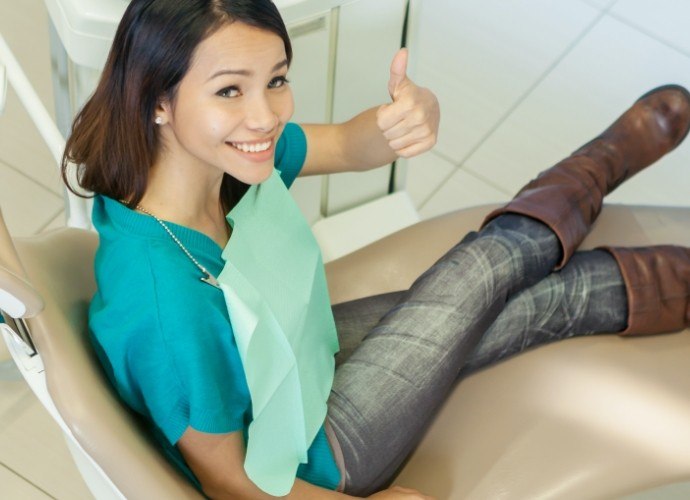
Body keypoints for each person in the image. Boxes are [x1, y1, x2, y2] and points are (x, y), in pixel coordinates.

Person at [61, 0, 690, 498]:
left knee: (518, 307)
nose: (265, 116)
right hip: (312, 455)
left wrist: (401, 123)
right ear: (158, 101)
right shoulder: (164, 302)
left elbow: (347, 146)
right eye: (230, 90)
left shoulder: (218, 159)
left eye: (276, 80)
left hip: (293, 360)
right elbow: (230, 480)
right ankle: (592, 170)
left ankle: (660, 273)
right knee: (488, 263)